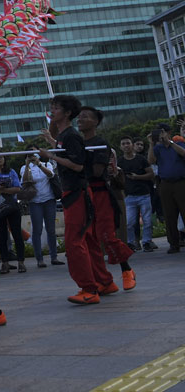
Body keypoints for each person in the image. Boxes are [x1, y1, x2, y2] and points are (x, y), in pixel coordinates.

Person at [40, 96, 111, 305]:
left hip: (77, 194)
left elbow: (78, 165)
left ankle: (89, 288)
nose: (52, 111)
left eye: (56, 108)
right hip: (72, 193)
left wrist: (51, 156)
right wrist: (52, 144)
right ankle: (104, 281)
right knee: (87, 241)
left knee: (74, 242)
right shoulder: (64, 136)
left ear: (67, 113)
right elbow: (66, 150)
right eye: (52, 107)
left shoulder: (71, 135)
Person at [78, 107, 136, 292]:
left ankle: (127, 270)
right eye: (79, 117)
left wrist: (76, 164)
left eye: (85, 117)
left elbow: (96, 172)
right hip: (83, 194)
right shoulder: (76, 142)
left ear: (95, 122)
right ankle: (104, 281)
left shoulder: (100, 143)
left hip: (100, 193)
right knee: (90, 239)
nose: (80, 120)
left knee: (106, 236)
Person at [21, 149, 64, 267]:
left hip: (49, 199)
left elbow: (51, 174)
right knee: (37, 230)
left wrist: (39, 164)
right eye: (30, 155)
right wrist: (27, 165)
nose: (33, 157)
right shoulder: (24, 167)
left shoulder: (46, 164)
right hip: (35, 201)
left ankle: (54, 257)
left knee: (51, 230)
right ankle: (39, 259)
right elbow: (25, 181)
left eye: (35, 155)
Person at [148, 123, 185, 253]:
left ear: (168, 132)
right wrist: (151, 144)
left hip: (181, 183)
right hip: (165, 184)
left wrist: (170, 141)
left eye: (163, 132)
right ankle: (174, 244)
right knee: (169, 215)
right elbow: (151, 160)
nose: (161, 135)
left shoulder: (178, 144)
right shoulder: (158, 149)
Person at [118, 136, 155, 251]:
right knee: (129, 222)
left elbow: (151, 174)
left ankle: (147, 242)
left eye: (128, 143)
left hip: (144, 194)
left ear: (132, 145)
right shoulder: (120, 161)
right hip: (129, 196)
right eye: (123, 144)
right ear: (120, 147)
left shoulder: (141, 159)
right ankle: (131, 242)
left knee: (147, 221)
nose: (126, 146)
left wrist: (137, 177)